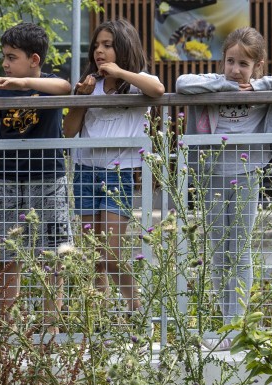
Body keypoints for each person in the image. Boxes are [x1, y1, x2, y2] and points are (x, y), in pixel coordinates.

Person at [175, 27, 272, 328]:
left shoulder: (263, 86)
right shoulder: (215, 83)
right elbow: (181, 82)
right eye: (230, 61)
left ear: (257, 66)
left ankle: (237, 323)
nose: (235, 70)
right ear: (222, 61)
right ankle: (226, 319)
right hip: (212, 173)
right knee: (217, 249)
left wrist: (260, 86)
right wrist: (222, 86)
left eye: (243, 64)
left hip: (247, 173)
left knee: (239, 248)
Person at [0, 22, 74, 313]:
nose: (5, 63)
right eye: (4, 57)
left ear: (34, 60)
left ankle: (51, 326)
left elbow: (65, 87)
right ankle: (7, 326)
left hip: (48, 178)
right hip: (8, 181)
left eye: (12, 57)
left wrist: (23, 84)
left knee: (52, 256)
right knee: (6, 256)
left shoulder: (50, 86)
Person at [62, 18, 163, 313]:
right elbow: (69, 131)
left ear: (123, 47)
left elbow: (157, 89)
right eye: (96, 45)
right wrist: (80, 98)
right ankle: (100, 315)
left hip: (117, 172)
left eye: (107, 45)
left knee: (111, 252)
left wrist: (120, 73)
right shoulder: (89, 85)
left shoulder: (135, 83)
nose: (99, 51)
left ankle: (136, 309)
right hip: (85, 170)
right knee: (95, 254)